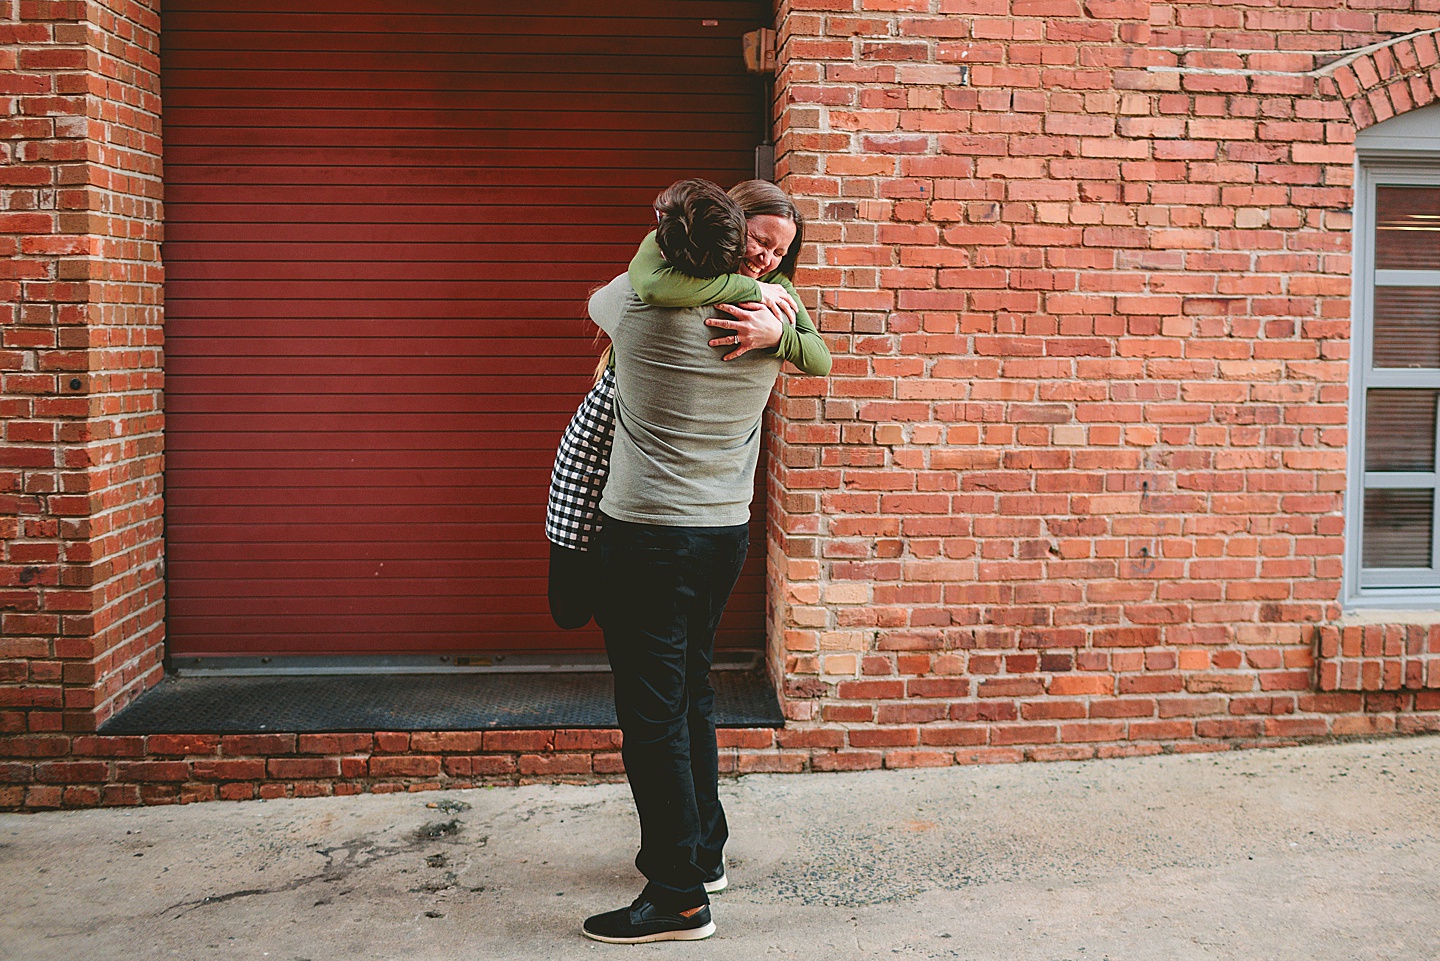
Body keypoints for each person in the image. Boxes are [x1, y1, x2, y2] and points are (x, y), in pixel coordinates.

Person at [577, 180, 826, 944]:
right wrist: (764, 297)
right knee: (690, 693)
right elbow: (812, 351)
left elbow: (615, 285)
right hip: (723, 534)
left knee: (651, 719)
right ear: (736, 248)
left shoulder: (637, 308)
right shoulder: (773, 314)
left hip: (647, 535)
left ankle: (678, 895)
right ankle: (699, 851)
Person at [545, 180, 829, 631]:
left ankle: (580, 588)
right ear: (728, 226)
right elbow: (660, 288)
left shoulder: (772, 295)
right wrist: (751, 296)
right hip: (713, 513)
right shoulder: (757, 296)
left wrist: (779, 336)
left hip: (652, 511)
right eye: (759, 242)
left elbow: (820, 358)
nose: (767, 260)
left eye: (779, 252)